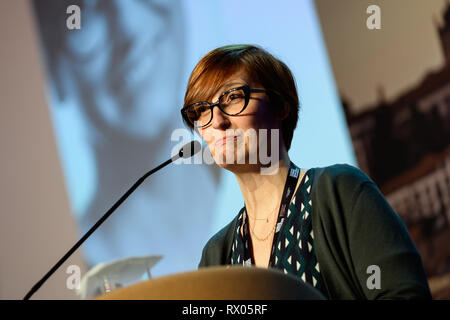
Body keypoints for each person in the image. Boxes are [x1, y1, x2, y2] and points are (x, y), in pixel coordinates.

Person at [180, 44, 432, 299]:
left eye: (232, 97)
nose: (218, 121)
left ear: (280, 106)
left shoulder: (340, 192)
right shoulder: (216, 255)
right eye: (201, 111)